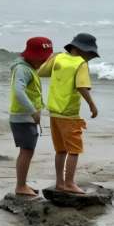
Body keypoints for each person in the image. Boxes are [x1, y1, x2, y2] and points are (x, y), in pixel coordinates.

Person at [38, 33, 100, 194]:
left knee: (60, 150)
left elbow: (41, 72)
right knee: (74, 150)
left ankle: (60, 183)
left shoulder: (59, 58)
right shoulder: (80, 64)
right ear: (83, 50)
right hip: (70, 114)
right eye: (90, 54)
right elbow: (81, 87)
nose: (90, 58)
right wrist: (92, 105)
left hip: (54, 112)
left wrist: (52, 57)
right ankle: (70, 183)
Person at [8, 36, 54, 196]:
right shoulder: (22, 69)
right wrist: (32, 111)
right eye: (42, 59)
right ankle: (20, 186)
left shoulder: (28, 67)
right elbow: (18, 91)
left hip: (25, 117)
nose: (43, 62)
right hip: (23, 117)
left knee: (28, 150)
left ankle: (22, 183)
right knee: (26, 151)